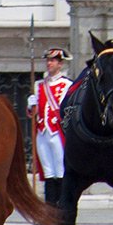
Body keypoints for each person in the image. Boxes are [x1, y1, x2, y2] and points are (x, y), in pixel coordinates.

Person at [27, 47, 73, 203]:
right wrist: (31, 105)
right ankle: (48, 209)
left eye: (52, 61)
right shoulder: (39, 85)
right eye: (48, 60)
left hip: (57, 132)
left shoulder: (67, 85)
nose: (49, 63)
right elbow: (34, 112)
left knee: (60, 171)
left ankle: (61, 208)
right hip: (42, 132)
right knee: (47, 172)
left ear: (60, 64)